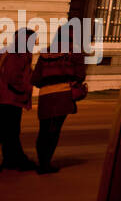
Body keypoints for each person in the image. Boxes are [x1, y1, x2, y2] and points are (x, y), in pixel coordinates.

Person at [31, 23, 87, 174]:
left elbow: (35, 79)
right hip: (63, 95)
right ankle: (46, 164)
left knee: (43, 131)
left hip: (45, 96)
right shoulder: (75, 53)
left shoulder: (45, 53)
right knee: (54, 131)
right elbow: (80, 76)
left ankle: (41, 162)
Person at [0, 28, 37, 172]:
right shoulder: (18, 54)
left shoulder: (10, 51)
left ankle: (11, 160)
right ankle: (17, 160)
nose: (33, 43)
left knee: (9, 132)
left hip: (6, 98)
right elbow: (12, 76)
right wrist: (22, 91)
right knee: (11, 131)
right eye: (31, 40)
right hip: (10, 98)